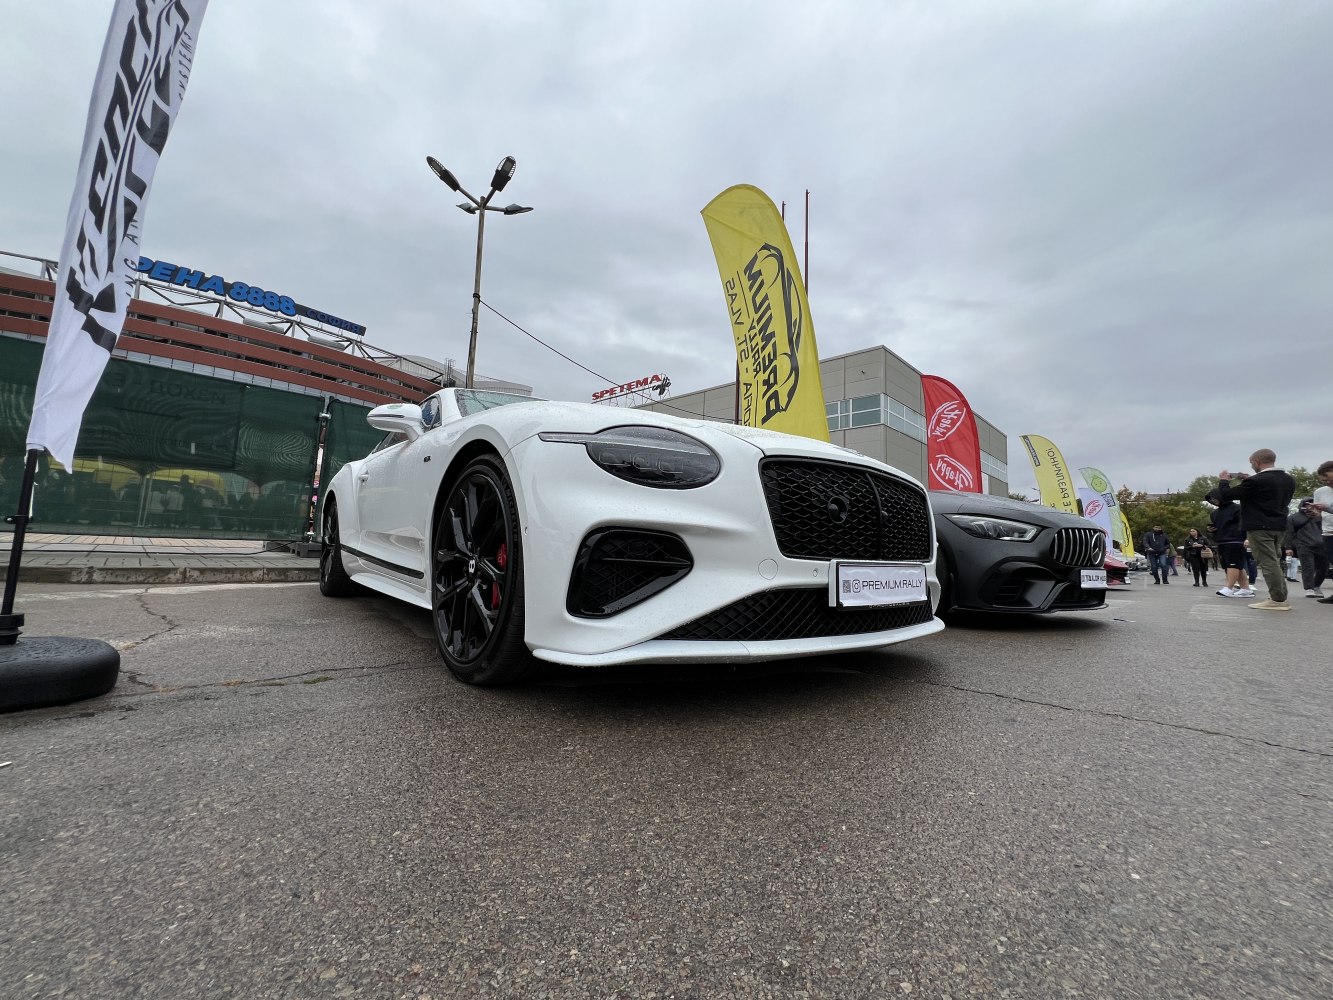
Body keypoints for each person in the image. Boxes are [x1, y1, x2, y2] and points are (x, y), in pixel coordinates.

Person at [1218, 449, 1297, 611]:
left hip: (1259, 526)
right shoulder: (1288, 480)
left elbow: (1226, 495)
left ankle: (1277, 599)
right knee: (1274, 559)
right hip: (1280, 525)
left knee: (1267, 561)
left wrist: (1224, 481)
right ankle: (1280, 595)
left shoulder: (1256, 482)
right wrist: (1249, 480)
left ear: (1257, 462)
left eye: (1251, 463)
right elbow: (1266, 493)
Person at [1206, 491, 1253, 598]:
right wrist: (1212, 530)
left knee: (1232, 564)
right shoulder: (1214, 513)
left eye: (1213, 499)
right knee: (1238, 566)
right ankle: (1245, 589)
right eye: (1210, 500)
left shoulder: (1238, 508)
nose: (1212, 501)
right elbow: (1218, 526)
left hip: (1236, 540)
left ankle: (1229, 588)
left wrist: (1247, 537)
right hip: (1222, 540)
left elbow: (1245, 523)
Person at [1285, 498, 1326, 598]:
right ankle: (1309, 588)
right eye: (1308, 504)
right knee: (1308, 567)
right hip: (1304, 545)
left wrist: (1319, 515)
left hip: (1322, 545)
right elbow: (1289, 533)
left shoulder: (1322, 516)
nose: (1310, 506)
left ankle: (1316, 585)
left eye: (1312, 504)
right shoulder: (1294, 518)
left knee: (1323, 568)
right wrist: (1288, 547)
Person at [1313, 460, 1333, 603]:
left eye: (1327, 476)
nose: (1325, 481)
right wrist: (1314, 514)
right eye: (1323, 479)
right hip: (1328, 531)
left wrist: (1326, 508)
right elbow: (1319, 516)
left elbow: (1327, 509)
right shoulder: (1320, 492)